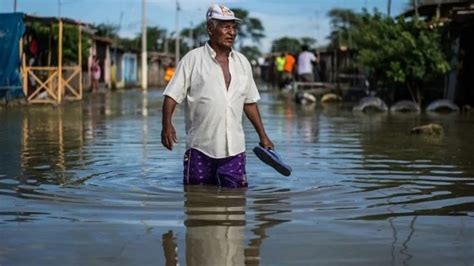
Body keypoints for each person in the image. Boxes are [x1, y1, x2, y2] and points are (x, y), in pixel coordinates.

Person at [161, 4, 274, 188]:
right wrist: (166, 124)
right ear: (210, 29)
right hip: (200, 148)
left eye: (234, 27)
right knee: (196, 199)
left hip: (235, 150)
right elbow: (171, 95)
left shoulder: (242, 62)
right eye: (225, 27)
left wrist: (264, 136)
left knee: (236, 203)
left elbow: (250, 103)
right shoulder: (192, 59)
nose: (232, 32)